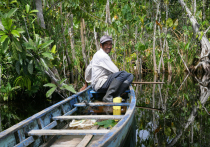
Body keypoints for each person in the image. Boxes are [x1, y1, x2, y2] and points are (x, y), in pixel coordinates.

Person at [80, 35, 133, 102]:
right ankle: (110, 96)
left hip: (96, 85)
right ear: (101, 45)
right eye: (106, 44)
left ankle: (114, 94)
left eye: (110, 44)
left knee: (130, 76)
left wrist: (86, 84)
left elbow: (88, 69)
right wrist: (123, 84)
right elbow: (116, 71)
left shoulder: (96, 54)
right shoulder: (103, 56)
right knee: (124, 74)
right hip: (101, 85)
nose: (109, 47)